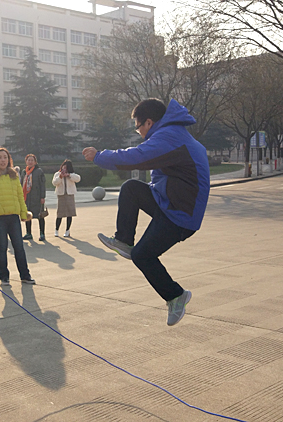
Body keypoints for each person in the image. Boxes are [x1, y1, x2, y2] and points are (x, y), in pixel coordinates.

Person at [83, 98, 210, 326]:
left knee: (142, 256)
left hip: (180, 215)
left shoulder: (169, 137)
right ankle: (124, 240)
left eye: (138, 127)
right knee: (131, 188)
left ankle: (176, 295)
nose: (139, 132)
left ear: (149, 122)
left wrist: (99, 156)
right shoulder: (173, 133)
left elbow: (135, 157)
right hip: (168, 202)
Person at [0, 148, 35, 286]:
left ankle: (25, 275)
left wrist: (23, 213)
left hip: (13, 217)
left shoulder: (14, 176)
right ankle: (4, 276)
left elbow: (19, 196)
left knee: (19, 246)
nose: (3, 160)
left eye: (5, 157)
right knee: (2, 246)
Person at [52, 159, 81, 238]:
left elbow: (78, 179)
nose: (64, 169)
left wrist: (69, 175)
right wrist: (60, 177)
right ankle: (56, 229)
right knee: (60, 213)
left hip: (70, 194)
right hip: (61, 195)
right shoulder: (57, 174)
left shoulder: (72, 175)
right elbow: (54, 183)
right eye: (63, 167)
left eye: (66, 168)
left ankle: (67, 230)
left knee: (69, 213)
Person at [20, 154, 46, 241]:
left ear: (35, 162)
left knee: (40, 215)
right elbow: (21, 184)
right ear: (26, 161)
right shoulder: (24, 172)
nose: (30, 162)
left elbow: (42, 185)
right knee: (27, 215)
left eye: (32, 160)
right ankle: (28, 233)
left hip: (37, 197)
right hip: (27, 197)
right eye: (28, 160)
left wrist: (42, 197)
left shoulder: (39, 171)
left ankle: (42, 233)